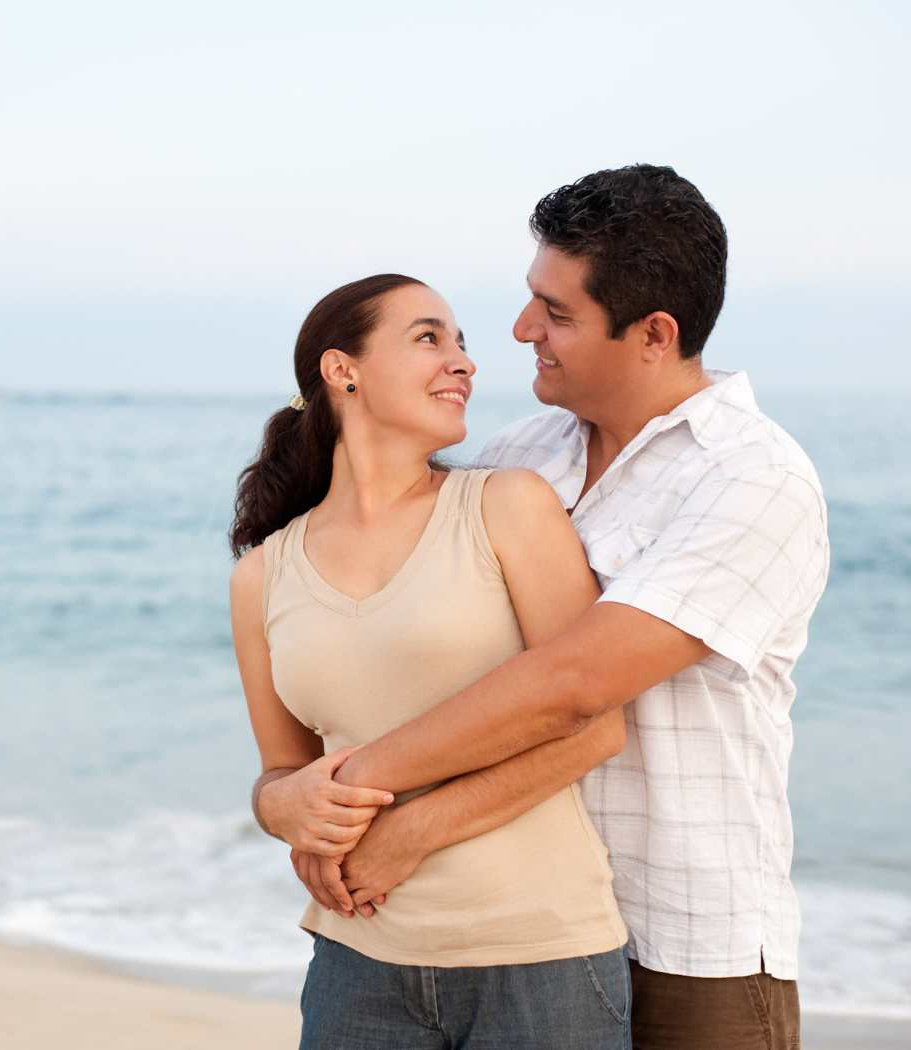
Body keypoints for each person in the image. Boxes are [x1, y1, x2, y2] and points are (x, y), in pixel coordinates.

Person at [271, 165, 829, 1050]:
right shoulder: (519, 456)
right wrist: (295, 799)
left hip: (687, 945)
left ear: (653, 334)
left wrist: (350, 801)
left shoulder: (753, 480)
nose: (523, 331)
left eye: (557, 314)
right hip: (518, 929)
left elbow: (573, 688)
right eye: (533, 300)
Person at [229, 273, 635, 1049]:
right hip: (358, 959)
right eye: (428, 338)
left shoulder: (506, 506)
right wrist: (276, 809)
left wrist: (411, 831)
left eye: (461, 343)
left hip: (541, 960)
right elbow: (282, 773)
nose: (463, 362)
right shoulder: (262, 576)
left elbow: (594, 728)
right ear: (341, 369)